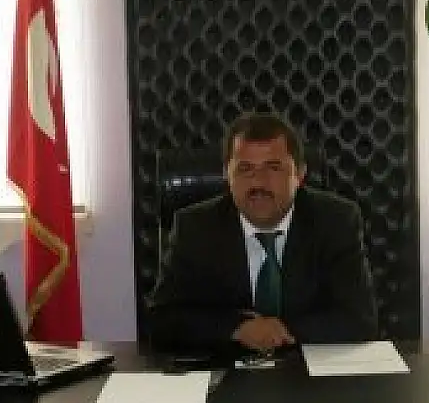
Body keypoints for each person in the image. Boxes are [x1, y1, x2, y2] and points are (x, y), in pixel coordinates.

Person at [148, 113, 377, 356]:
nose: (258, 182)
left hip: (305, 369)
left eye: (273, 168)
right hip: (226, 368)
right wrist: (237, 328)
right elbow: (162, 320)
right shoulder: (195, 227)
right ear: (227, 175)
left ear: (299, 174)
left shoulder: (336, 221)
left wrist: (279, 331)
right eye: (245, 169)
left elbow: (360, 320)